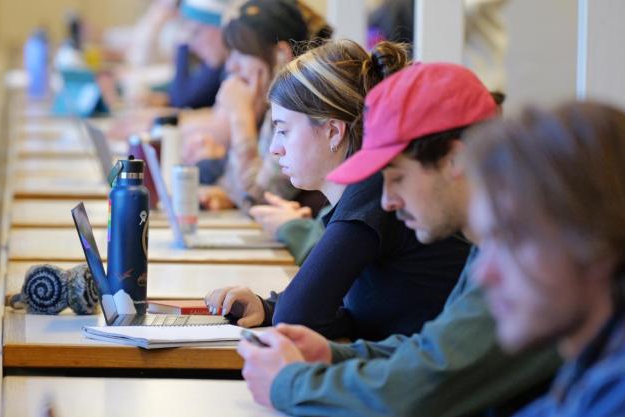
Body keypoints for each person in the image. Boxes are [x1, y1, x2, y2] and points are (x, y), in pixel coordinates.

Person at [235, 62, 561, 417]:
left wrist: (288, 384)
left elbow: (418, 392)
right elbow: (432, 348)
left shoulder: (527, 257)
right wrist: (332, 354)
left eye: (398, 178)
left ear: (455, 160)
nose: (387, 201)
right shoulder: (495, 241)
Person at [205, 40, 471, 341]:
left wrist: (280, 310)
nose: (276, 149)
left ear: (333, 131)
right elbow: (357, 314)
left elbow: (297, 318)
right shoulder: (364, 193)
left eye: (284, 130)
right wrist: (267, 308)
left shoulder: (372, 192)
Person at [463, 102, 625, 417]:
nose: (483, 274)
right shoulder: (600, 360)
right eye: (487, 243)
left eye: (512, 240)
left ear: (599, 237)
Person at [198, 0, 329, 211]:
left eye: (241, 52)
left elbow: (257, 199)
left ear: (281, 54)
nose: (231, 65)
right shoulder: (275, 107)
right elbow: (242, 190)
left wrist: (241, 117)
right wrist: (228, 195)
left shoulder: (300, 108)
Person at [169, 0, 231, 109]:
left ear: (221, 27)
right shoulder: (219, 61)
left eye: (196, 33)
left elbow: (182, 99)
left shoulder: (235, 66)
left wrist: (182, 46)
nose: (192, 46)